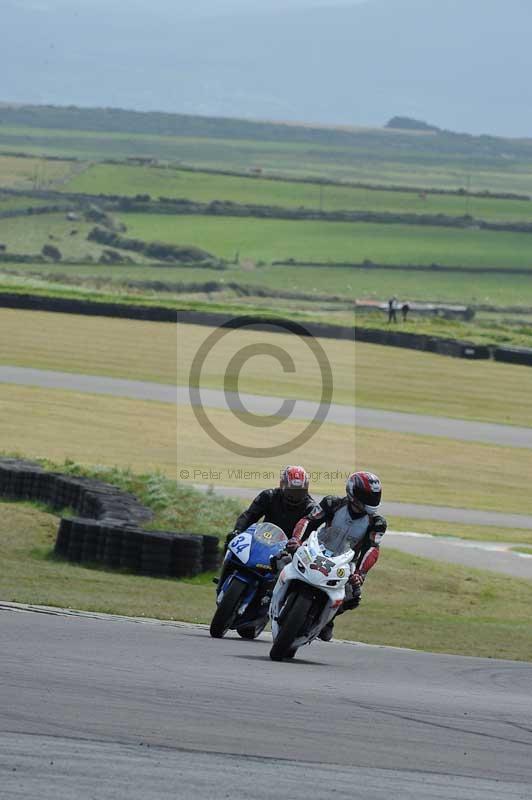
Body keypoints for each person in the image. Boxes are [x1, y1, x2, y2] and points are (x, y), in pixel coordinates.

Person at [286, 471, 387, 642]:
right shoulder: (332, 503)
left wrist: (360, 574)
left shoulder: (377, 523)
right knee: (282, 560)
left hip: (345, 562)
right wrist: (296, 539)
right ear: (353, 491)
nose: (371, 500)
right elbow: (308, 520)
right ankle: (266, 600)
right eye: (367, 496)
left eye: (374, 496)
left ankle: (327, 619)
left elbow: (372, 549)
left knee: (353, 595)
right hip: (316, 549)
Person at [216, 466, 318, 591]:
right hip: (262, 539)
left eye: (299, 492)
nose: (294, 496)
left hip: (287, 549)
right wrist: (237, 531)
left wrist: (297, 547)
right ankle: (223, 577)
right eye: (291, 491)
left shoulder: (311, 508)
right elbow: (249, 515)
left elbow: (311, 535)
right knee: (231, 540)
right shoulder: (269, 496)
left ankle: (274, 597)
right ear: (282, 485)